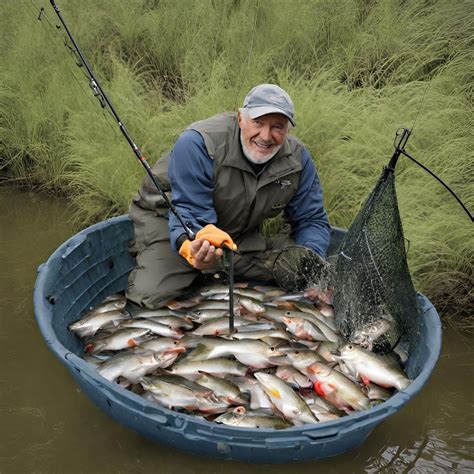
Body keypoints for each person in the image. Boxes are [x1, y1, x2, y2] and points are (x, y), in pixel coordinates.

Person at [126, 84, 331, 309]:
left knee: (300, 275)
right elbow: (188, 212)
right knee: (150, 295)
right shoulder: (198, 143)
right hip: (171, 221)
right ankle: (182, 261)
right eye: (258, 122)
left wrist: (309, 264)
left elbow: (311, 220)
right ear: (240, 118)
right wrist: (193, 246)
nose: (265, 136)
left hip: (235, 230)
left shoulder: (297, 158)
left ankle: (221, 267)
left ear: (287, 130)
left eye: (277, 127)